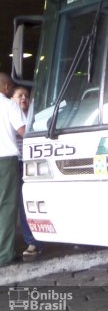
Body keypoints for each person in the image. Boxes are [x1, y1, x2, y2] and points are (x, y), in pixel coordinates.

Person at [12, 86, 43, 257]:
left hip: (32, 164)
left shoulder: (35, 118)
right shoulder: (9, 115)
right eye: (19, 95)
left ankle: (33, 242)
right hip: (15, 164)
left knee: (28, 205)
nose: (23, 98)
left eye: (26, 95)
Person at [0, 73, 25, 266]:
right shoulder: (9, 105)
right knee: (7, 207)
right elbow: (23, 131)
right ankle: (4, 254)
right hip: (5, 161)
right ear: (6, 87)